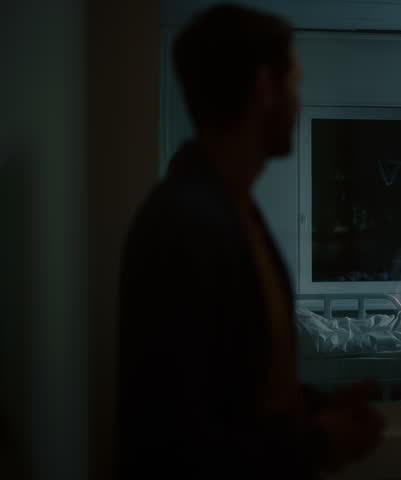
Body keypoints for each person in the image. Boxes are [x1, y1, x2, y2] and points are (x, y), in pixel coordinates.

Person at [118, 5, 383, 479]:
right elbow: (181, 440)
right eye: (295, 85)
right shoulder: (185, 227)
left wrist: (316, 405)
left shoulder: (232, 209)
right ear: (264, 89)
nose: (298, 105)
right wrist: (320, 442)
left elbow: (233, 388)